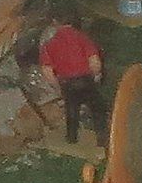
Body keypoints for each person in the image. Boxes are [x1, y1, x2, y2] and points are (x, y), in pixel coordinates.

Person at [35, 8, 105, 144]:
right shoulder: (82, 38)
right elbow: (94, 60)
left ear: (55, 23)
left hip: (67, 83)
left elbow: (47, 71)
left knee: (71, 110)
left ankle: (71, 138)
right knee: (97, 108)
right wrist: (97, 74)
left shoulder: (49, 45)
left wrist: (57, 86)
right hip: (85, 79)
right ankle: (102, 137)